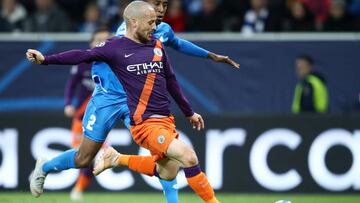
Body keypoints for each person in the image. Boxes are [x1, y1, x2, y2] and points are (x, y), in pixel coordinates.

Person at [29, 0, 239, 202]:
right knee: (84, 158)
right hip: (107, 98)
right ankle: (46, 166)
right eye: (156, 4)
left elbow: (179, 45)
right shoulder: (124, 35)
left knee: (167, 159)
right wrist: (46, 60)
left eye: (165, 5)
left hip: (136, 102)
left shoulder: (160, 32)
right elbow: (87, 55)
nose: (161, 10)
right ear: (140, 13)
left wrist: (211, 56)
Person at [64, 29, 110, 201]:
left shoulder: (113, 64)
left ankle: (78, 189)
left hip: (101, 119)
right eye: (98, 40)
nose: (100, 43)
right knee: (79, 155)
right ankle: (46, 168)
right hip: (81, 116)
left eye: (105, 40)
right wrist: (68, 103)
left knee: (94, 156)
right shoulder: (82, 62)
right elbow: (71, 85)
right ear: (91, 42)